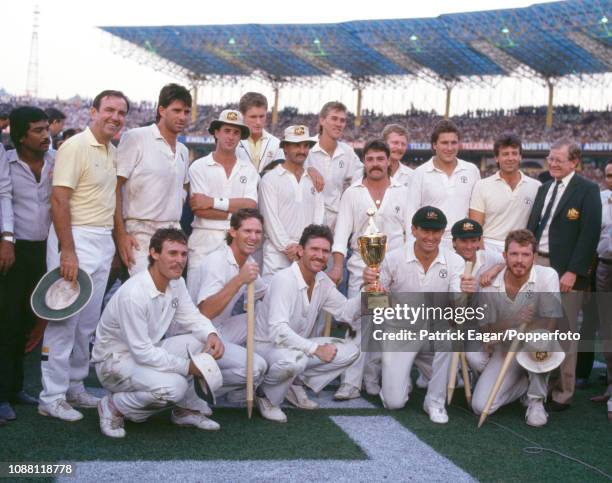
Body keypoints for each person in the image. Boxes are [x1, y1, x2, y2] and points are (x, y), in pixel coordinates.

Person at [38, 90, 129, 421]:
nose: (114, 117)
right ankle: (51, 396)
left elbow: (112, 200)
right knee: (63, 320)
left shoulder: (113, 151)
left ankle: (74, 386)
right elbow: (59, 199)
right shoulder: (74, 146)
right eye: (109, 110)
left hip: (101, 239)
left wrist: (117, 242)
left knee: (87, 323)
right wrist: (69, 251)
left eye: (121, 112)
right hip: (75, 236)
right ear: (93, 111)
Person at [92, 228, 224, 438]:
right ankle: (113, 405)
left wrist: (211, 334)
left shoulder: (176, 282)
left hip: (143, 352)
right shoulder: (134, 294)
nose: (179, 260)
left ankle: (185, 410)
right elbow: (142, 352)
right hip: (113, 364)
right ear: (154, 253)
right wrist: (187, 367)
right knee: (175, 387)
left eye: (183, 254)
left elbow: (192, 317)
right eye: (172, 253)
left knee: (199, 342)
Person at [363, 206, 467, 423]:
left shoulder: (455, 261)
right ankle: (398, 380)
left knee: (447, 338)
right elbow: (374, 303)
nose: (430, 237)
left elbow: (457, 301)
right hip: (400, 332)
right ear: (413, 230)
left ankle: (435, 401)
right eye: (425, 230)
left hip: (432, 332)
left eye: (436, 231)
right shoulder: (393, 258)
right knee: (394, 403)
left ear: (443, 232)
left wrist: (465, 295)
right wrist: (371, 286)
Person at [254, 224, 361, 422]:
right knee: (296, 360)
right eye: (314, 249)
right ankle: (265, 394)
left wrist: (369, 293)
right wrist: (315, 349)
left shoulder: (322, 281)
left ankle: (292, 383)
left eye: (325, 251)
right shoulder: (284, 279)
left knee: (351, 351)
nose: (320, 256)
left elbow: (346, 312)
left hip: (295, 349)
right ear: (301, 251)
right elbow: (278, 330)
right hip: (266, 348)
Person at [330, 139, 412, 400]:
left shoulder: (404, 192)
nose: (375, 164)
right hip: (361, 268)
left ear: (389, 161)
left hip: (395, 269)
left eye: (380, 159)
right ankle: (350, 382)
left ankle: (372, 377)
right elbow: (342, 235)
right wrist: (338, 267)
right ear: (364, 162)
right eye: (370, 159)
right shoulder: (353, 192)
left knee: (385, 325)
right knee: (359, 324)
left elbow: (410, 234)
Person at [526, 139, 601, 411]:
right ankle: (537, 387)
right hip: (537, 265)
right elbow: (533, 226)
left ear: (574, 162)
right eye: (551, 157)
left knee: (565, 331)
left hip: (565, 270)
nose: (552, 162)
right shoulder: (545, 187)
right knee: (537, 329)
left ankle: (562, 392)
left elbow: (589, 234)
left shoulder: (588, 189)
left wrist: (573, 271)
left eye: (559, 159)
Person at [471, 230, 563, 427]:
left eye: (525, 254)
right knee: (480, 406)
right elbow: (487, 333)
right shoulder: (490, 284)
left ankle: (536, 400)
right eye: (514, 254)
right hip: (504, 349)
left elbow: (550, 325)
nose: (519, 260)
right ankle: (523, 386)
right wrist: (514, 321)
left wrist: (530, 326)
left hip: (533, 345)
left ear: (534, 257)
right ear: (505, 256)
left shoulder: (547, 276)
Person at [0, 107, 54, 423]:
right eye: (37, 130)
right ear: (21, 136)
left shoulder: (57, 160)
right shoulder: (6, 162)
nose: (46, 135)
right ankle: (1, 394)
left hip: (45, 251)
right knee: (6, 321)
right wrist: (6, 240)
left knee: (27, 321)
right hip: (14, 251)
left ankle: (16, 387)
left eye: (47, 128)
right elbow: (3, 199)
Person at [114, 83, 192, 275]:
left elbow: (184, 189)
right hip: (139, 232)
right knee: (143, 294)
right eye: (177, 110)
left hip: (172, 234)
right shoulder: (136, 138)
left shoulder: (183, 150)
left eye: (186, 111)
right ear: (162, 110)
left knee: (169, 298)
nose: (182, 117)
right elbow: (114, 188)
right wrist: (121, 234)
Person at [194, 209, 268, 408]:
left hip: (219, 328)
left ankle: (236, 388)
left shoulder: (248, 261)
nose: (253, 237)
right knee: (257, 367)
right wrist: (239, 280)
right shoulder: (216, 261)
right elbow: (205, 312)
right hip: (198, 335)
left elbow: (265, 295)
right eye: (247, 231)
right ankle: (193, 387)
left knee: (263, 316)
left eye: (258, 232)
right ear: (233, 232)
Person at [187, 110, 258, 300]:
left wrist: (212, 202)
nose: (231, 137)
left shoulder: (248, 169)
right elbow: (199, 209)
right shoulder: (199, 166)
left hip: (233, 244)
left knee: (225, 302)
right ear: (216, 132)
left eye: (236, 133)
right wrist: (237, 214)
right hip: (203, 241)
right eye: (227, 131)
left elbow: (250, 206)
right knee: (195, 303)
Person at [258, 125, 323, 279]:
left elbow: (319, 216)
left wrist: (308, 248)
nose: (302, 150)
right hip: (277, 257)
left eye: (305, 146)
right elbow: (269, 219)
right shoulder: (270, 179)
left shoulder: (314, 180)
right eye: (296, 145)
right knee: (274, 302)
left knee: (304, 302)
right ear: (285, 147)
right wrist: (288, 246)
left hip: (307, 256)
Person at [410, 119, 480, 248]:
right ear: (434, 145)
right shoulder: (420, 173)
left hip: (464, 242)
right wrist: (411, 246)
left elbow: (477, 210)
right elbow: (411, 213)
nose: (449, 148)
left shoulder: (472, 170)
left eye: (453, 143)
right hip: (431, 242)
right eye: (444, 143)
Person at [469, 133, 540, 253]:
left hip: (521, 248)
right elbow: (476, 227)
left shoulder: (536, 186)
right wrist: (482, 254)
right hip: (489, 246)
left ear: (520, 157)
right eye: (505, 154)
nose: (510, 158)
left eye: (514, 153)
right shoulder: (482, 185)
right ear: (497, 158)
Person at [450, 218, 504, 374]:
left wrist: (496, 268)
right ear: (454, 242)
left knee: (476, 359)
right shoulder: (447, 261)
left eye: (474, 241)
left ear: (480, 241)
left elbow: (514, 262)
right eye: (463, 241)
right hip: (455, 323)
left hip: (485, 324)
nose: (469, 246)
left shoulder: (489, 257)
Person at [305, 101, 363, 231]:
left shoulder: (347, 152)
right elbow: (285, 167)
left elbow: (363, 177)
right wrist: (307, 170)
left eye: (342, 120)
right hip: (306, 219)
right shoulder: (305, 146)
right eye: (334, 119)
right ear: (322, 120)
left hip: (334, 225)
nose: (339, 124)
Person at [591, 161, 612, 420]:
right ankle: (610, 386)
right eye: (608, 175)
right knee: (607, 330)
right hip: (604, 267)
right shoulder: (601, 199)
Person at [236, 92, 283, 173]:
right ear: (242, 116)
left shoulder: (276, 144)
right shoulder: (233, 142)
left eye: (262, 116)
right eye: (253, 117)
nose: (258, 122)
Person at [381, 124, 413, 188]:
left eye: (403, 144)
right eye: (395, 143)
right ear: (383, 143)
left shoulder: (412, 176)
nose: (400, 148)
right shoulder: (368, 172)